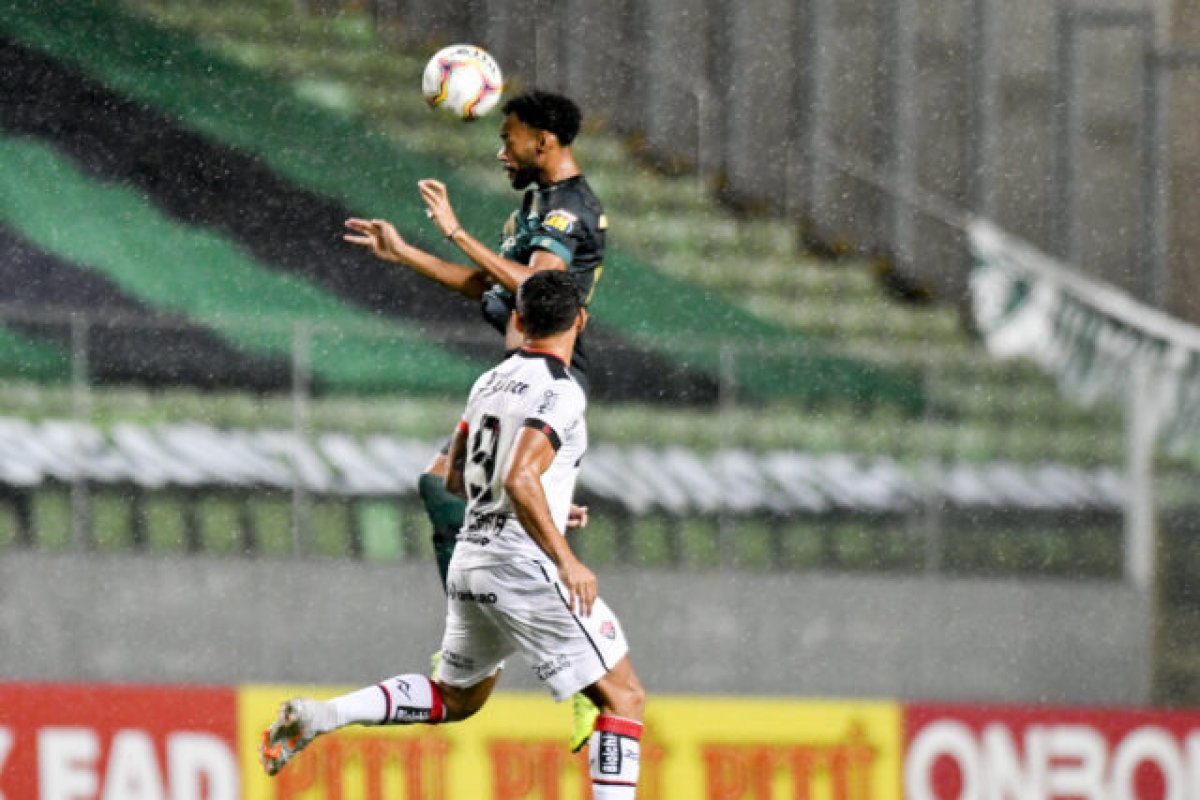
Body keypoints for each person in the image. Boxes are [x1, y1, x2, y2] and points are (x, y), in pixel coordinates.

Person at [260, 271, 646, 799]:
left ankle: (326, 715)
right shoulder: (561, 392)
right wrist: (565, 559)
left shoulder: (489, 381)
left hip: (473, 559)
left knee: (456, 699)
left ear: (518, 319)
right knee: (623, 697)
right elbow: (519, 477)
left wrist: (549, 507)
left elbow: (455, 476)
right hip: (522, 564)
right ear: (580, 319)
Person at [344, 89, 606, 749]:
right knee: (446, 489)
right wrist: (405, 252)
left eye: (509, 139)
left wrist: (455, 230)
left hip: (546, 378)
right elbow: (487, 285)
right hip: (516, 378)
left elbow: (532, 287)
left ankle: (583, 685)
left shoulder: (572, 210)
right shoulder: (536, 206)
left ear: (543, 140)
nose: (501, 152)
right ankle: (511, 651)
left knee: (453, 489)